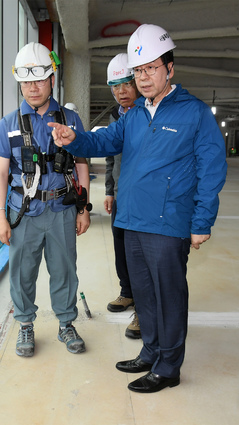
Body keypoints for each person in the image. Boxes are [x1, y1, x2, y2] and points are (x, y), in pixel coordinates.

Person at [49, 24, 227, 393]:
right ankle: (150, 352)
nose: (143, 78)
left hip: (169, 222)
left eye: (151, 69)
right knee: (143, 293)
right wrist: (74, 138)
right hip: (131, 219)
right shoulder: (132, 116)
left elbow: (213, 170)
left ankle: (169, 366)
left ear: (170, 69)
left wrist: (202, 221)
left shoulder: (194, 114)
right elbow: (103, 141)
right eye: (139, 71)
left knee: (169, 296)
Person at [0, 42, 91, 357]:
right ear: (19, 82)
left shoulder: (70, 119)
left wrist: (83, 209)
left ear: (52, 78)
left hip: (61, 209)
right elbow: (0, 175)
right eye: (25, 81)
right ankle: (25, 325)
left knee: (65, 270)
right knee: (22, 271)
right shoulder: (8, 125)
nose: (32, 88)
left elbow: (81, 164)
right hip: (24, 212)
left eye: (38, 79)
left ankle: (65, 323)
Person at [104, 53, 141, 339]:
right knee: (121, 248)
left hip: (143, 199)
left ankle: (143, 310)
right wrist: (108, 190)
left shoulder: (149, 114)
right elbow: (110, 157)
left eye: (126, 84)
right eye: (115, 87)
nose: (121, 92)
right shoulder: (115, 116)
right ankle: (127, 293)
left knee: (140, 254)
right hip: (120, 196)